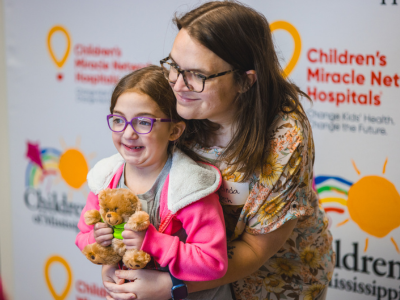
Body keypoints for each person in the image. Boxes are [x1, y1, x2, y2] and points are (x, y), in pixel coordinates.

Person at [102, 1, 335, 300]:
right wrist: (114, 260)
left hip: (271, 281)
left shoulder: (283, 136)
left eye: (197, 75)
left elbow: (254, 248)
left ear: (244, 80)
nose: (176, 84)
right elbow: (138, 178)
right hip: (187, 266)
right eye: (173, 66)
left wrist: (172, 286)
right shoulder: (175, 99)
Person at [75, 65, 232, 299]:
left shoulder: (190, 188)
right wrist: (98, 240)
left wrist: (152, 242)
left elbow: (213, 261)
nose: (128, 133)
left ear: (174, 131)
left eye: (143, 122)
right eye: (119, 120)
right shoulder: (106, 179)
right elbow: (83, 236)